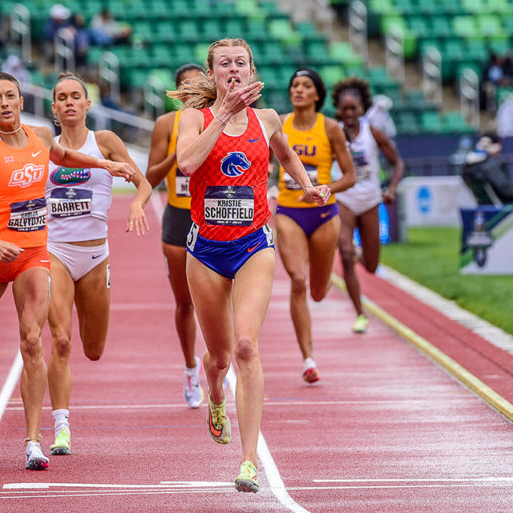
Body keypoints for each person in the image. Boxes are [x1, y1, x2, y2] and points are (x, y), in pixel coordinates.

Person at [0, 72, 136, 471]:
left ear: (21, 100)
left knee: (34, 340)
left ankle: (33, 441)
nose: (4, 103)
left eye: (10, 96)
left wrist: (105, 164)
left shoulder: (39, 136)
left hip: (34, 254)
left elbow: (65, 157)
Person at [169, 38, 330, 492]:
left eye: (241, 62)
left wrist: (308, 185)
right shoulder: (194, 118)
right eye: (225, 64)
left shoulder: (267, 118)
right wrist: (221, 115)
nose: (234, 70)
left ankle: (247, 461)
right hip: (205, 252)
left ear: (253, 69)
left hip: (254, 244)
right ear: (213, 74)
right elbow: (186, 164)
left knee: (245, 347)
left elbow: (285, 154)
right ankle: (214, 390)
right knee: (219, 359)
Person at [45, 72, 151, 456]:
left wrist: (137, 202)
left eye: (77, 96)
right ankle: (61, 427)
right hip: (54, 250)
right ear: (54, 108)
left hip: (94, 256)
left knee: (93, 349)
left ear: (88, 105)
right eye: (63, 97)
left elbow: (143, 183)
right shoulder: (45, 146)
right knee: (59, 340)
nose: (70, 102)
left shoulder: (104, 142)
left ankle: (62, 422)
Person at [275, 68, 355, 383]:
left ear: (317, 95)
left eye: (306, 86)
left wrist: (326, 189)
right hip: (288, 211)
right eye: (294, 85)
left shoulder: (331, 128)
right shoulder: (279, 123)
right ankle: (308, 358)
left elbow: (349, 176)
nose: (298, 90)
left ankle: (322, 284)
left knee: (318, 292)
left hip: (323, 215)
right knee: (297, 280)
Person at [146, 63, 206, 409]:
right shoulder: (165, 125)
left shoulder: (220, 121)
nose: (192, 92)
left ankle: (218, 362)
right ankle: (190, 367)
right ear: (177, 93)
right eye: (186, 87)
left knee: (218, 301)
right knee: (185, 303)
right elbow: (150, 178)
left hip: (213, 216)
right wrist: (178, 154)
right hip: (178, 218)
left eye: (199, 86)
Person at [331, 77, 404, 334]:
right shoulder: (334, 131)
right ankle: (360, 313)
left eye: (354, 109)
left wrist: (391, 189)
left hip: (371, 199)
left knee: (371, 265)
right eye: (344, 109)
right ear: (338, 110)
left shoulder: (373, 132)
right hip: (345, 199)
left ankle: (360, 253)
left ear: (362, 109)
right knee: (345, 252)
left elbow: (398, 163)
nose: (349, 114)